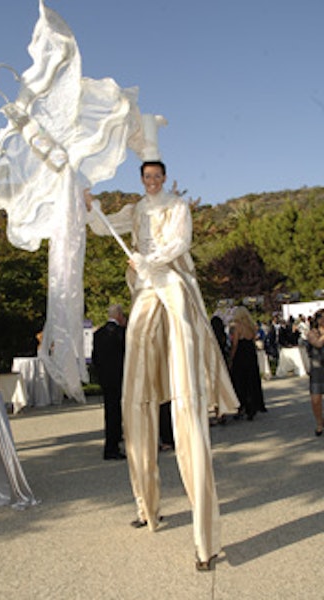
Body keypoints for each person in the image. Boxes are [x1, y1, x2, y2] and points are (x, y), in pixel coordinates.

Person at [85, 159, 239, 571]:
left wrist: (151, 259)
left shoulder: (178, 206)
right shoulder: (136, 209)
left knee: (186, 340)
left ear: (164, 178)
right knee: (134, 373)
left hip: (170, 282)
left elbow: (180, 244)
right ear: (141, 180)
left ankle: (205, 538)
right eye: (146, 177)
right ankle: (146, 506)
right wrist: (87, 204)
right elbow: (103, 225)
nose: (151, 181)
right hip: (145, 290)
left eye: (156, 176)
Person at [92, 304, 126, 460]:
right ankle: (112, 446)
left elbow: (95, 358)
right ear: (119, 315)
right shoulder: (121, 333)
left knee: (110, 411)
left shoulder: (98, 334)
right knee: (117, 412)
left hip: (106, 378)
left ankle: (114, 440)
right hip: (119, 377)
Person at [230, 306, 267, 420]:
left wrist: (231, 357)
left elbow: (235, 343)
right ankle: (253, 405)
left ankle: (242, 406)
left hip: (241, 355)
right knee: (251, 380)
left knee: (240, 382)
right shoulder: (251, 326)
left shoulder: (236, 327)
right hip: (250, 354)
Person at [306, 310, 324, 436]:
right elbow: (317, 344)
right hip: (317, 369)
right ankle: (319, 423)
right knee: (316, 399)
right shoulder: (312, 333)